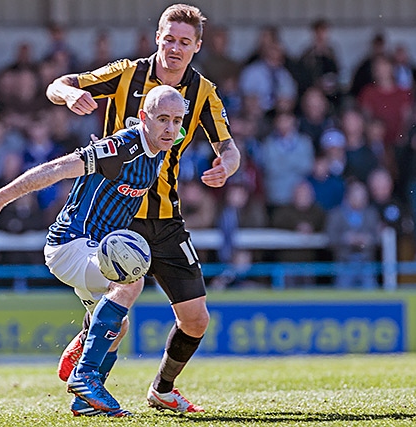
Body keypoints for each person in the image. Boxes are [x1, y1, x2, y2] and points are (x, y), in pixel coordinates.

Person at [45, 3, 240, 415]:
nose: (175, 47)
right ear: (157, 37)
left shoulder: (203, 91)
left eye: (184, 42)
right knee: (121, 301)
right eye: (168, 38)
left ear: (197, 46)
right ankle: (88, 382)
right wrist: (70, 94)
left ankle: (162, 389)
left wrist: (228, 165)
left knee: (196, 319)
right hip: (118, 214)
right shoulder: (126, 73)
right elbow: (58, 83)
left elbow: (228, 143)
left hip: (167, 220)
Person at [0, 85, 187, 417]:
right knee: (129, 282)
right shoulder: (118, 149)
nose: (170, 128)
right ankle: (85, 374)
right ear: (144, 118)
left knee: (119, 326)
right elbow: (57, 169)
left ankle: (84, 399)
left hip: (92, 249)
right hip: (71, 244)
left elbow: (189, 122)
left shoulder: (164, 139)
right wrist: (0, 197)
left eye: (176, 121)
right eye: (162, 120)